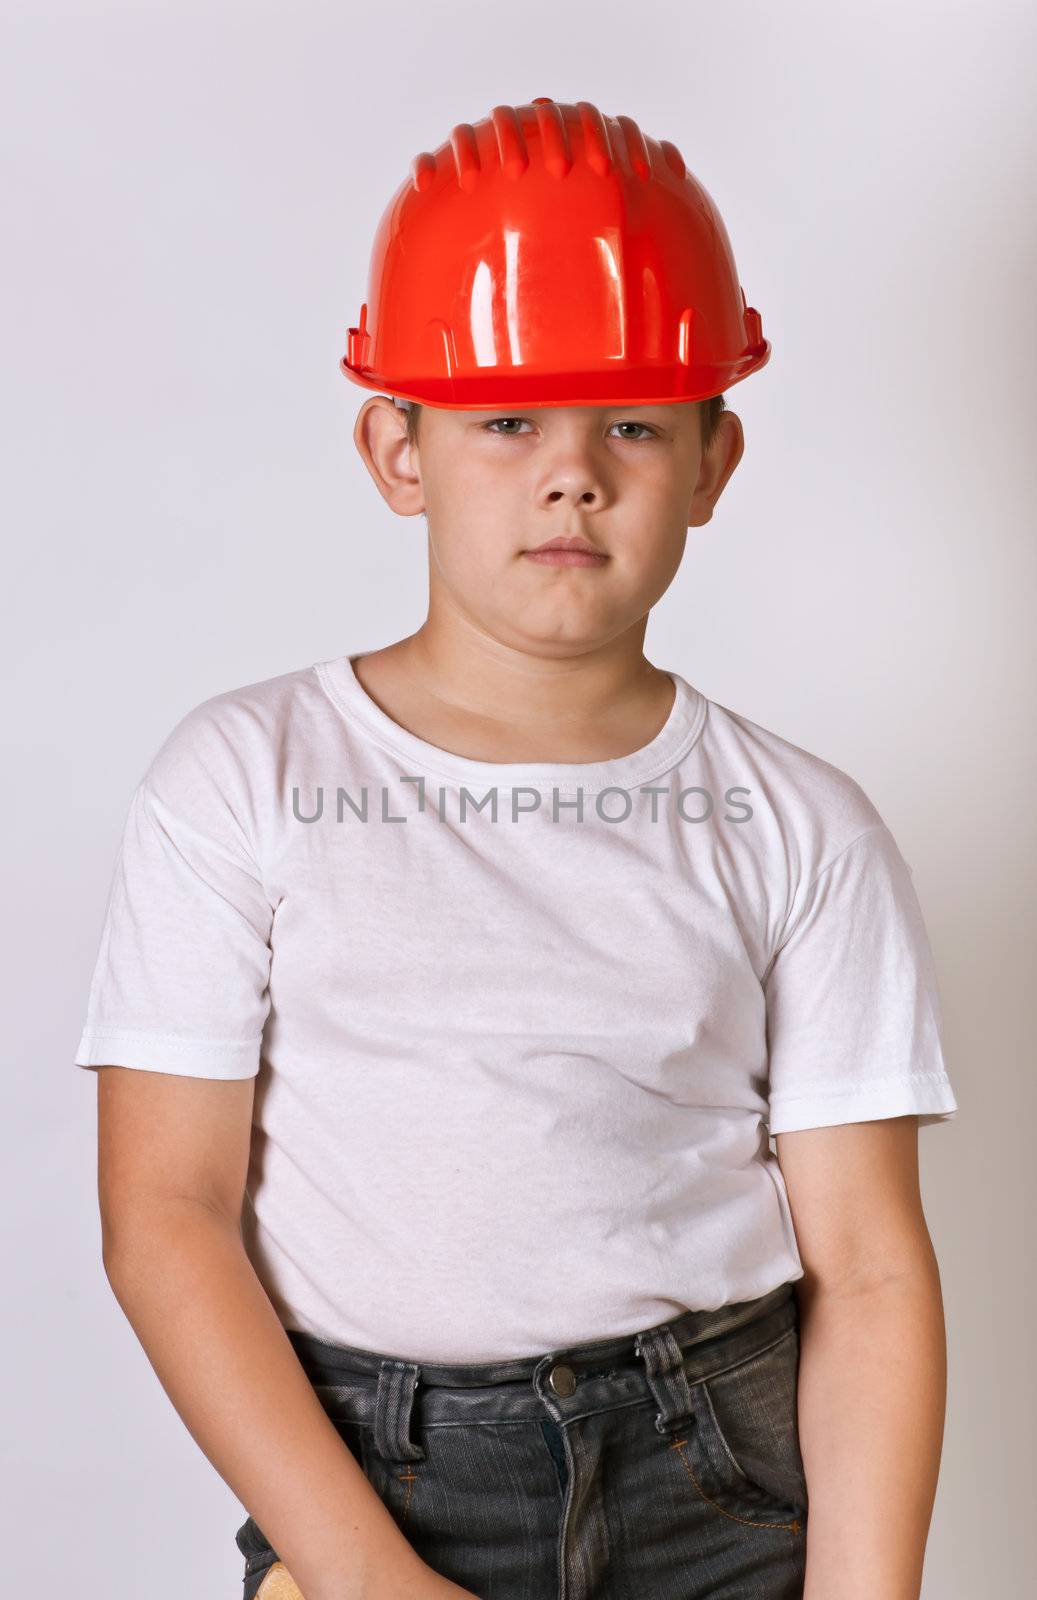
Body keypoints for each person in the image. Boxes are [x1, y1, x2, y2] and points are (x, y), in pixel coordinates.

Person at [75, 97, 959, 1600]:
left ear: (712, 457)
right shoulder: (246, 777)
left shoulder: (801, 826)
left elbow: (868, 1269)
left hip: (717, 1482)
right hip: (372, 1485)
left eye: (630, 421)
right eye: (506, 420)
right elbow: (167, 1217)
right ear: (396, 446)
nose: (572, 474)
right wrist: (359, 1573)